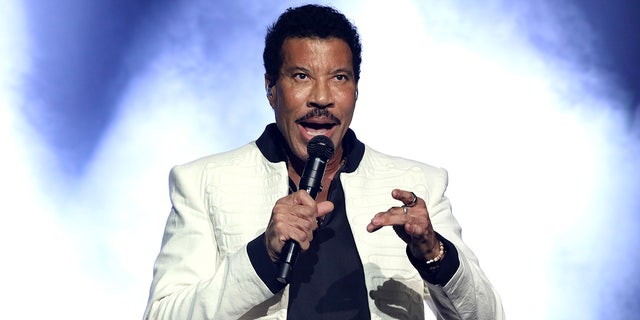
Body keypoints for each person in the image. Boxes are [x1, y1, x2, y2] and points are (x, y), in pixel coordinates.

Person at [143, 4, 504, 320]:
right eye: (301, 76)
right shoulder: (203, 181)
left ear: (356, 90)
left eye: (339, 78)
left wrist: (434, 255)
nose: (321, 97)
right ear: (271, 87)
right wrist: (262, 255)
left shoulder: (416, 185)